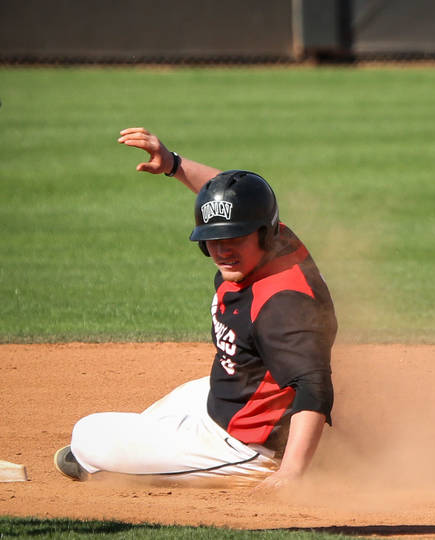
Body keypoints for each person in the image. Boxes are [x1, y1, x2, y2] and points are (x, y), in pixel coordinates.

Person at [53, 128, 337, 489]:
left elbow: (314, 385)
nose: (222, 250)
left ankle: (265, 464)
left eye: (234, 238)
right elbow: (235, 199)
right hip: (235, 397)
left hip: (250, 444)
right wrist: (173, 165)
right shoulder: (276, 240)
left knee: (87, 434)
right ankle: (139, 455)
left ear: (263, 233)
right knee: (187, 395)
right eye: (212, 240)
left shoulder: (283, 303)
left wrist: (292, 473)